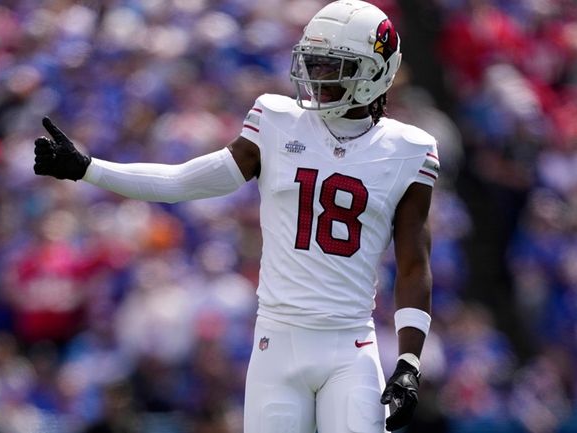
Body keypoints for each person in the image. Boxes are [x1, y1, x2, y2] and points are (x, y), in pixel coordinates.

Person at [33, 1, 439, 431]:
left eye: (334, 66)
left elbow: (415, 263)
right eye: (315, 64)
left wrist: (410, 359)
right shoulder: (278, 121)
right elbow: (181, 181)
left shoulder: (408, 150)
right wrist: (89, 168)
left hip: (351, 346)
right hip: (276, 344)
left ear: (375, 73)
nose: (318, 77)